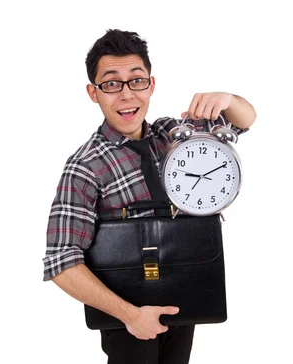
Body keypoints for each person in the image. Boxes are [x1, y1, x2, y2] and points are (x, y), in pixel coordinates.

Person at [42, 29, 256, 364]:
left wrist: (227, 99)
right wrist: (129, 315)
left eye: (136, 81)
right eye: (111, 83)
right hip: (127, 320)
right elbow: (61, 262)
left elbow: (245, 120)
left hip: (186, 299)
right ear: (93, 93)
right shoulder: (84, 166)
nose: (126, 95)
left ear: (151, 86)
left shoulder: (174, 135)